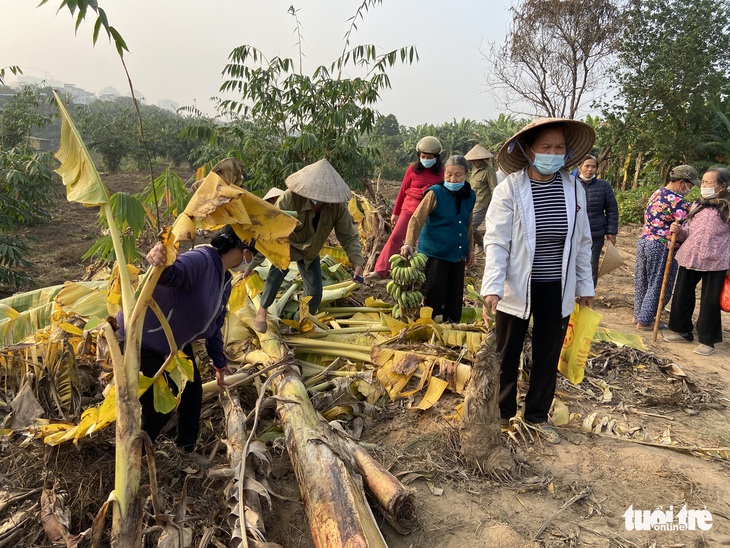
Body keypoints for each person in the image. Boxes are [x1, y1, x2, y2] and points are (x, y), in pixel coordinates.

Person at [480, 118, 595, 444]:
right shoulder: (510, 189)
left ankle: (536, 415)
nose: (553, 153)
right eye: (546, 147)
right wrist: (492, 285)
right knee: (507, 351)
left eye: (559, 147)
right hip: (516, 286)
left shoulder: (574, 189)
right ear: (529, 150)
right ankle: (502, 414)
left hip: (557, 286)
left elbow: (583, 242)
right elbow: (497, 241)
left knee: (548, 352)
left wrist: (585, 286)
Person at [115, 225, 254, 453]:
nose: (251, 261)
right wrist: (158, 255)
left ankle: (185, 449)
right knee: (160, 406)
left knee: (192, 391)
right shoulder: (201, 259)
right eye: (253, 254)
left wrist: (220, 365)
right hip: (142, 339)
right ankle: (134, 456)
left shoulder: (224, 281)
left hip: (173, 345)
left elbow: (215, 325)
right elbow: (169, 273)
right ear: (242, 249)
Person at [250, 159, 364, 333]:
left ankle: (301, 322)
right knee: (277, 271)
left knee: (315, 293)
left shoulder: (336, 207)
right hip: (289, 244)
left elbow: (348, 236)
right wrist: (253, 263)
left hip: (311, 251)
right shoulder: (289, 198)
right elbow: (271, 232)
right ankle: (262, 310)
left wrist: (357, 262)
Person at [400, 155, 476, 323]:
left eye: (458, 174)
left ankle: (451, 323)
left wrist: (470, 249)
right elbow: (416, 218)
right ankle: (428, 323)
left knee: (454, 292)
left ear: (466, 175)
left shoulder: (470, 195)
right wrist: (408, 243)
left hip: (457, 251)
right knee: (434, 290)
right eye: (448, 174)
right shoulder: (435, 192)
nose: (452, 178)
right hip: (435, 251)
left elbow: (468, 224)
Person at [663, 167, 730, 355]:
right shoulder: (697, 205)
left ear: (722, 187)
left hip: (716, 260)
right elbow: (687, 232)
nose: (704, 186)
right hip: (690, 255)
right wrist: (678, 231)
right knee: (682, 294)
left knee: (710, 301)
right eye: (704, 182)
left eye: (709, 183)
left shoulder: (728, 208)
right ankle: (682, 331)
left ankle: (708, 340)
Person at [633, 165, 698, 330]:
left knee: (643, 280)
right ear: (682, 182)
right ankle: (645, 320)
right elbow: (688, 227)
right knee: (659, 283)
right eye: (690, 186)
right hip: (662, 246)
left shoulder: (657, 193)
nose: (690, 189)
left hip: (644, 240)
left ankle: (639, 315)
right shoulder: (679, 202)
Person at [369, 136, 444, 279]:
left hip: (428, 214)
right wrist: (395, 213)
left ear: (436, 157)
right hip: (408, 209)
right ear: (418, 156)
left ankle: (419, 274)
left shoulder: (442, 173)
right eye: (423, 156)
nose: (426, 159)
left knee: (421, 244)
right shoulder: (412, 170)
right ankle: (380, 270)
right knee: (396, 237)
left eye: (429, 157)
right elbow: (403, 191)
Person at [575, 154, 619, 287]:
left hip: (596, 233)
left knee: (592, 264)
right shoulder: (571, 184)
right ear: (579, 167)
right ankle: (571, 294)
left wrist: (611, 231)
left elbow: (612, 209)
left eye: (593, 167)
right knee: (573, 263)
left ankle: (589, 293)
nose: (590, 169)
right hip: (575, 233)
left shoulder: (603, 186)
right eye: (587, 166)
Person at [464, 144, 498, 253]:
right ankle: (472, 245)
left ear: (482, 160)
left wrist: (495, 205)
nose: (473, 162)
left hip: (482, 203)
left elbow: (494, 189)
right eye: (472, 161)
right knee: (466, 224)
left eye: (476, 160)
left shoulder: (489, 171)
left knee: (472, 226)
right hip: (471, 202)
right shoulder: (474, 171)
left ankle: (480, 243)